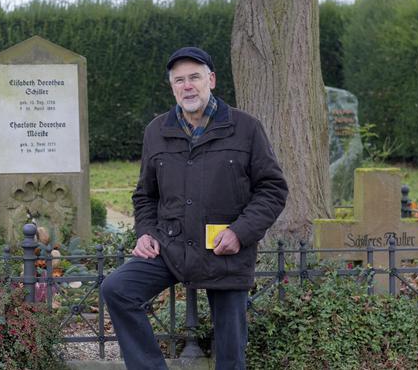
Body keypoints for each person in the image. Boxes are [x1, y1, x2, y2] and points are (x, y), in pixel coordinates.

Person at [101, 46, 288, 370]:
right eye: (179, 80)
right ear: (172, 86)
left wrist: (240, 233)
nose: (187, 86)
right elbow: (145, 195)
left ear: (211, 80)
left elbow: (272, 189)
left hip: (224, 252)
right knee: (117, 289)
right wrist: (145, 233)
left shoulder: (246, 128)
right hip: (172, 247)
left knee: (230, 354)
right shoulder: (156, 132)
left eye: (194, 78)